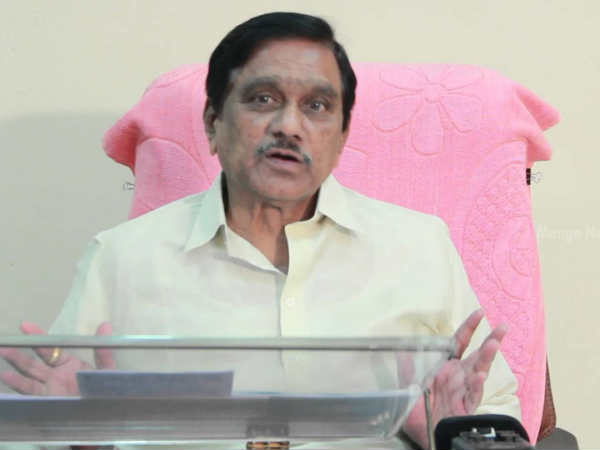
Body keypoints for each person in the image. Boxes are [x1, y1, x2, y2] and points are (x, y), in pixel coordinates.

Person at [0, 12, 520, 450]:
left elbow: (497, 419)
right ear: (212, 122)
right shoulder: (122, 258)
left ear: (341, 137)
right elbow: (45, 426)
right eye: (263, 99)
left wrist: (445, 431)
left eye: (317, 106)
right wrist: (78, 437)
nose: (289, 126)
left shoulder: (419, 246)